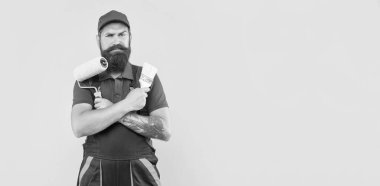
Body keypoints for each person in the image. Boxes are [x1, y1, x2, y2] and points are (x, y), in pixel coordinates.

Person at [71, 10, 171, 186]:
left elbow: (164, 131)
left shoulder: (147, 77)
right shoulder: (87, 80)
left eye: (122, 34)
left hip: (141, 169)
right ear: (98, 40)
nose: (116, 41)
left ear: (130, 37)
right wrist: (126, 105)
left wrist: (114, 110)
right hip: (95, 170)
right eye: (109, 35)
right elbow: (79, 126)